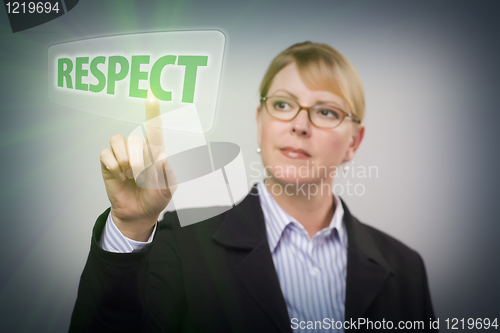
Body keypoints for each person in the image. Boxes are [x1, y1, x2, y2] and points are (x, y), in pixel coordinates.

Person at [69, 42, 436, 332]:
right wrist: (130, 225)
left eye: (326, 111)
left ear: (354, 142)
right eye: (282, 104)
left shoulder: (405, 270)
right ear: (261, 122)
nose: (299, 124)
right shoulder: (181, 243)